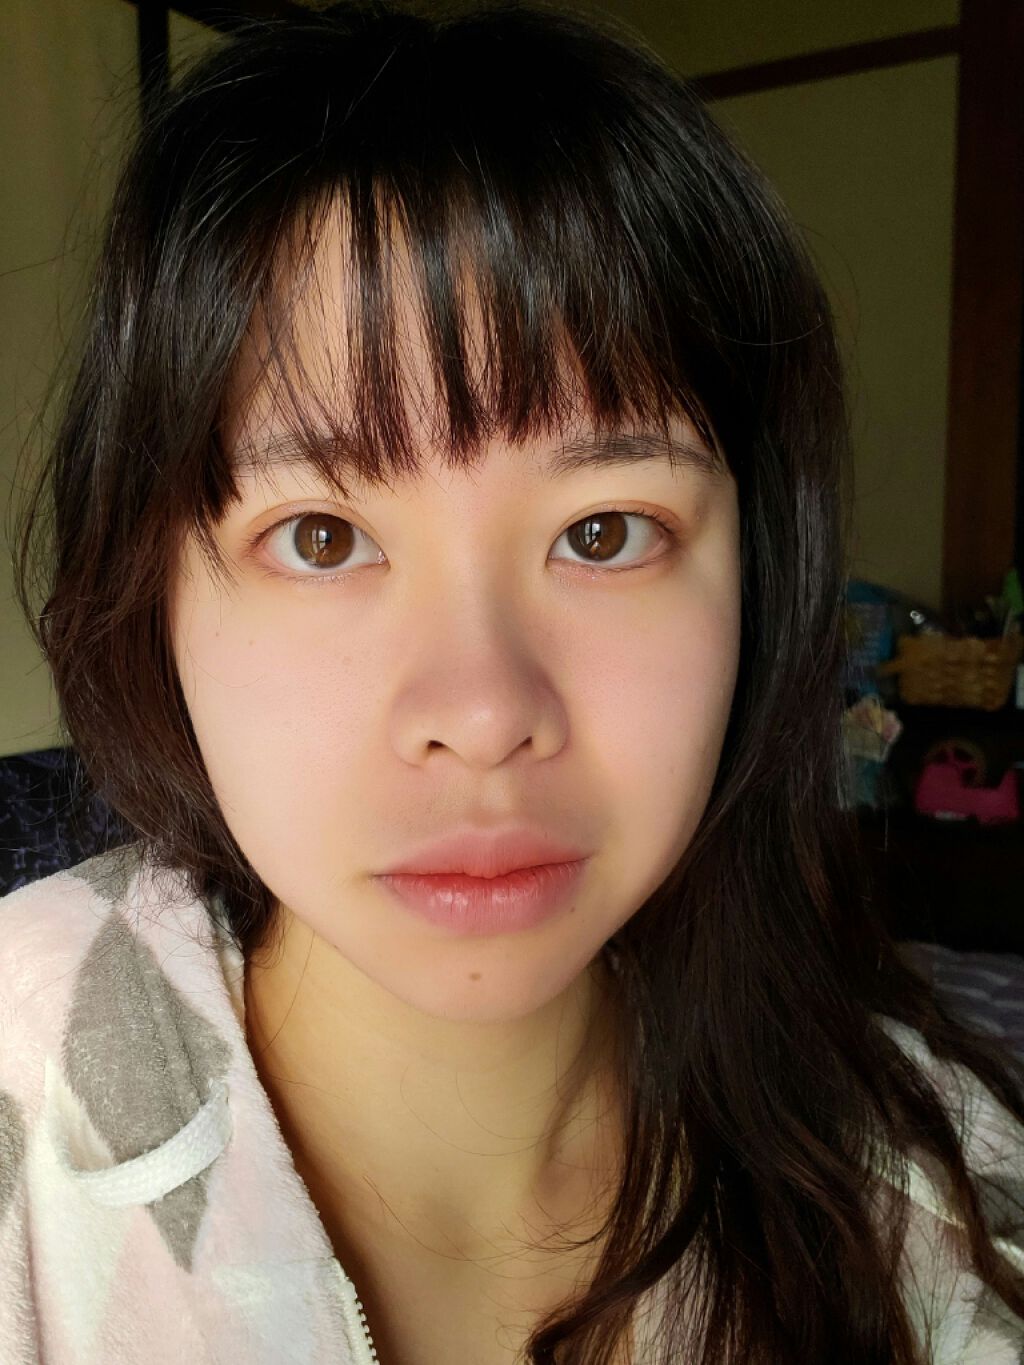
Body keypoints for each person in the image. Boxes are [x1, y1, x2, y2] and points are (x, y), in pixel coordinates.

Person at [3, 3, 1024, 1362]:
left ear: (761, 581)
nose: (483, 714)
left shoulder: (945, 1213)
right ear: (157, 601)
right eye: (322, 539)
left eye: (602, 533)